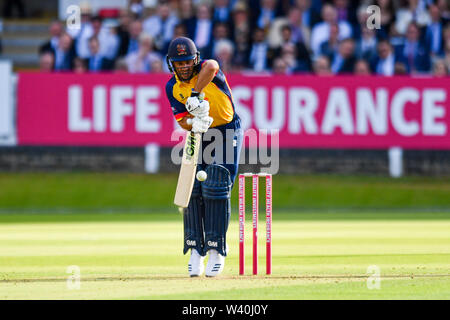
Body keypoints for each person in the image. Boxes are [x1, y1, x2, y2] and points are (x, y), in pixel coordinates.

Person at [165, 37, 243, 277]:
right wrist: (196, 121)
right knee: (195, 190)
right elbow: (182, 121)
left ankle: (216, 248)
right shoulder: (172, 87)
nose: (185, 66)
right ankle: (196, 249)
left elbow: (212, 66)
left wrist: (196, 95)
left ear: (195, 59)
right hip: (201, 133)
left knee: (217, 184)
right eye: (179, 63)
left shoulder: (207, 70)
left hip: (227, 130)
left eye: (188, 61)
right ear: (172, 64)